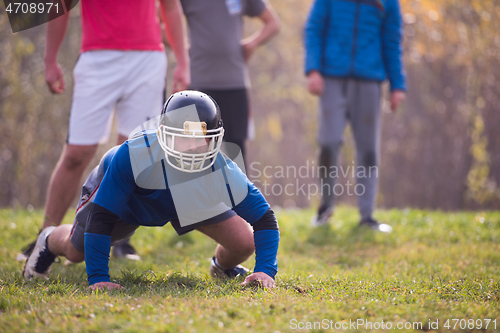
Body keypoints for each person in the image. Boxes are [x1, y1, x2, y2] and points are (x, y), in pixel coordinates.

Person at [23, 91, 279, 289]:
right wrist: (99, 278)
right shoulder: (131, 156)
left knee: (244, 242)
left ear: (214, 138)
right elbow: (101, 219)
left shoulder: (221, 168)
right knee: (76, 250)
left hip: (187, 199)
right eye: (183, 135)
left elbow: (264, 218)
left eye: (200, 137)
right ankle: (49, 238)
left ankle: (221, 267)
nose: (192, 146)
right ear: (164, 133)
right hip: (131, 204)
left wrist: (265, 270)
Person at [20, 0, 190, 260]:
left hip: (148, 59)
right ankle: (45, 237)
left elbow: (171, 7)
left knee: (134, 156)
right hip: (96, 59)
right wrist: (50, 60)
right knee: (77, 153)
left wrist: (183, 62)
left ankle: (118, 240)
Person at [304, 0, 407, 231]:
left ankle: (367, 216)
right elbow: (314, 29)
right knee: (328, 143)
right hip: (331, 78)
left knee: (369, 150)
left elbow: (392, 42)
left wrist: (397, 85)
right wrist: (313, 70)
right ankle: (325, 207)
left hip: (369, 81)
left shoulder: (389, 3)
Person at [180, 0, 280, 160]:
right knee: (196, 154)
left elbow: (273, 23)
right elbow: (161, 20)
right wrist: (180, 48)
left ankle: (237, 186)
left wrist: (252, 43)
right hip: (198, 86)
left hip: (235, 85)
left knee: (236, 153)